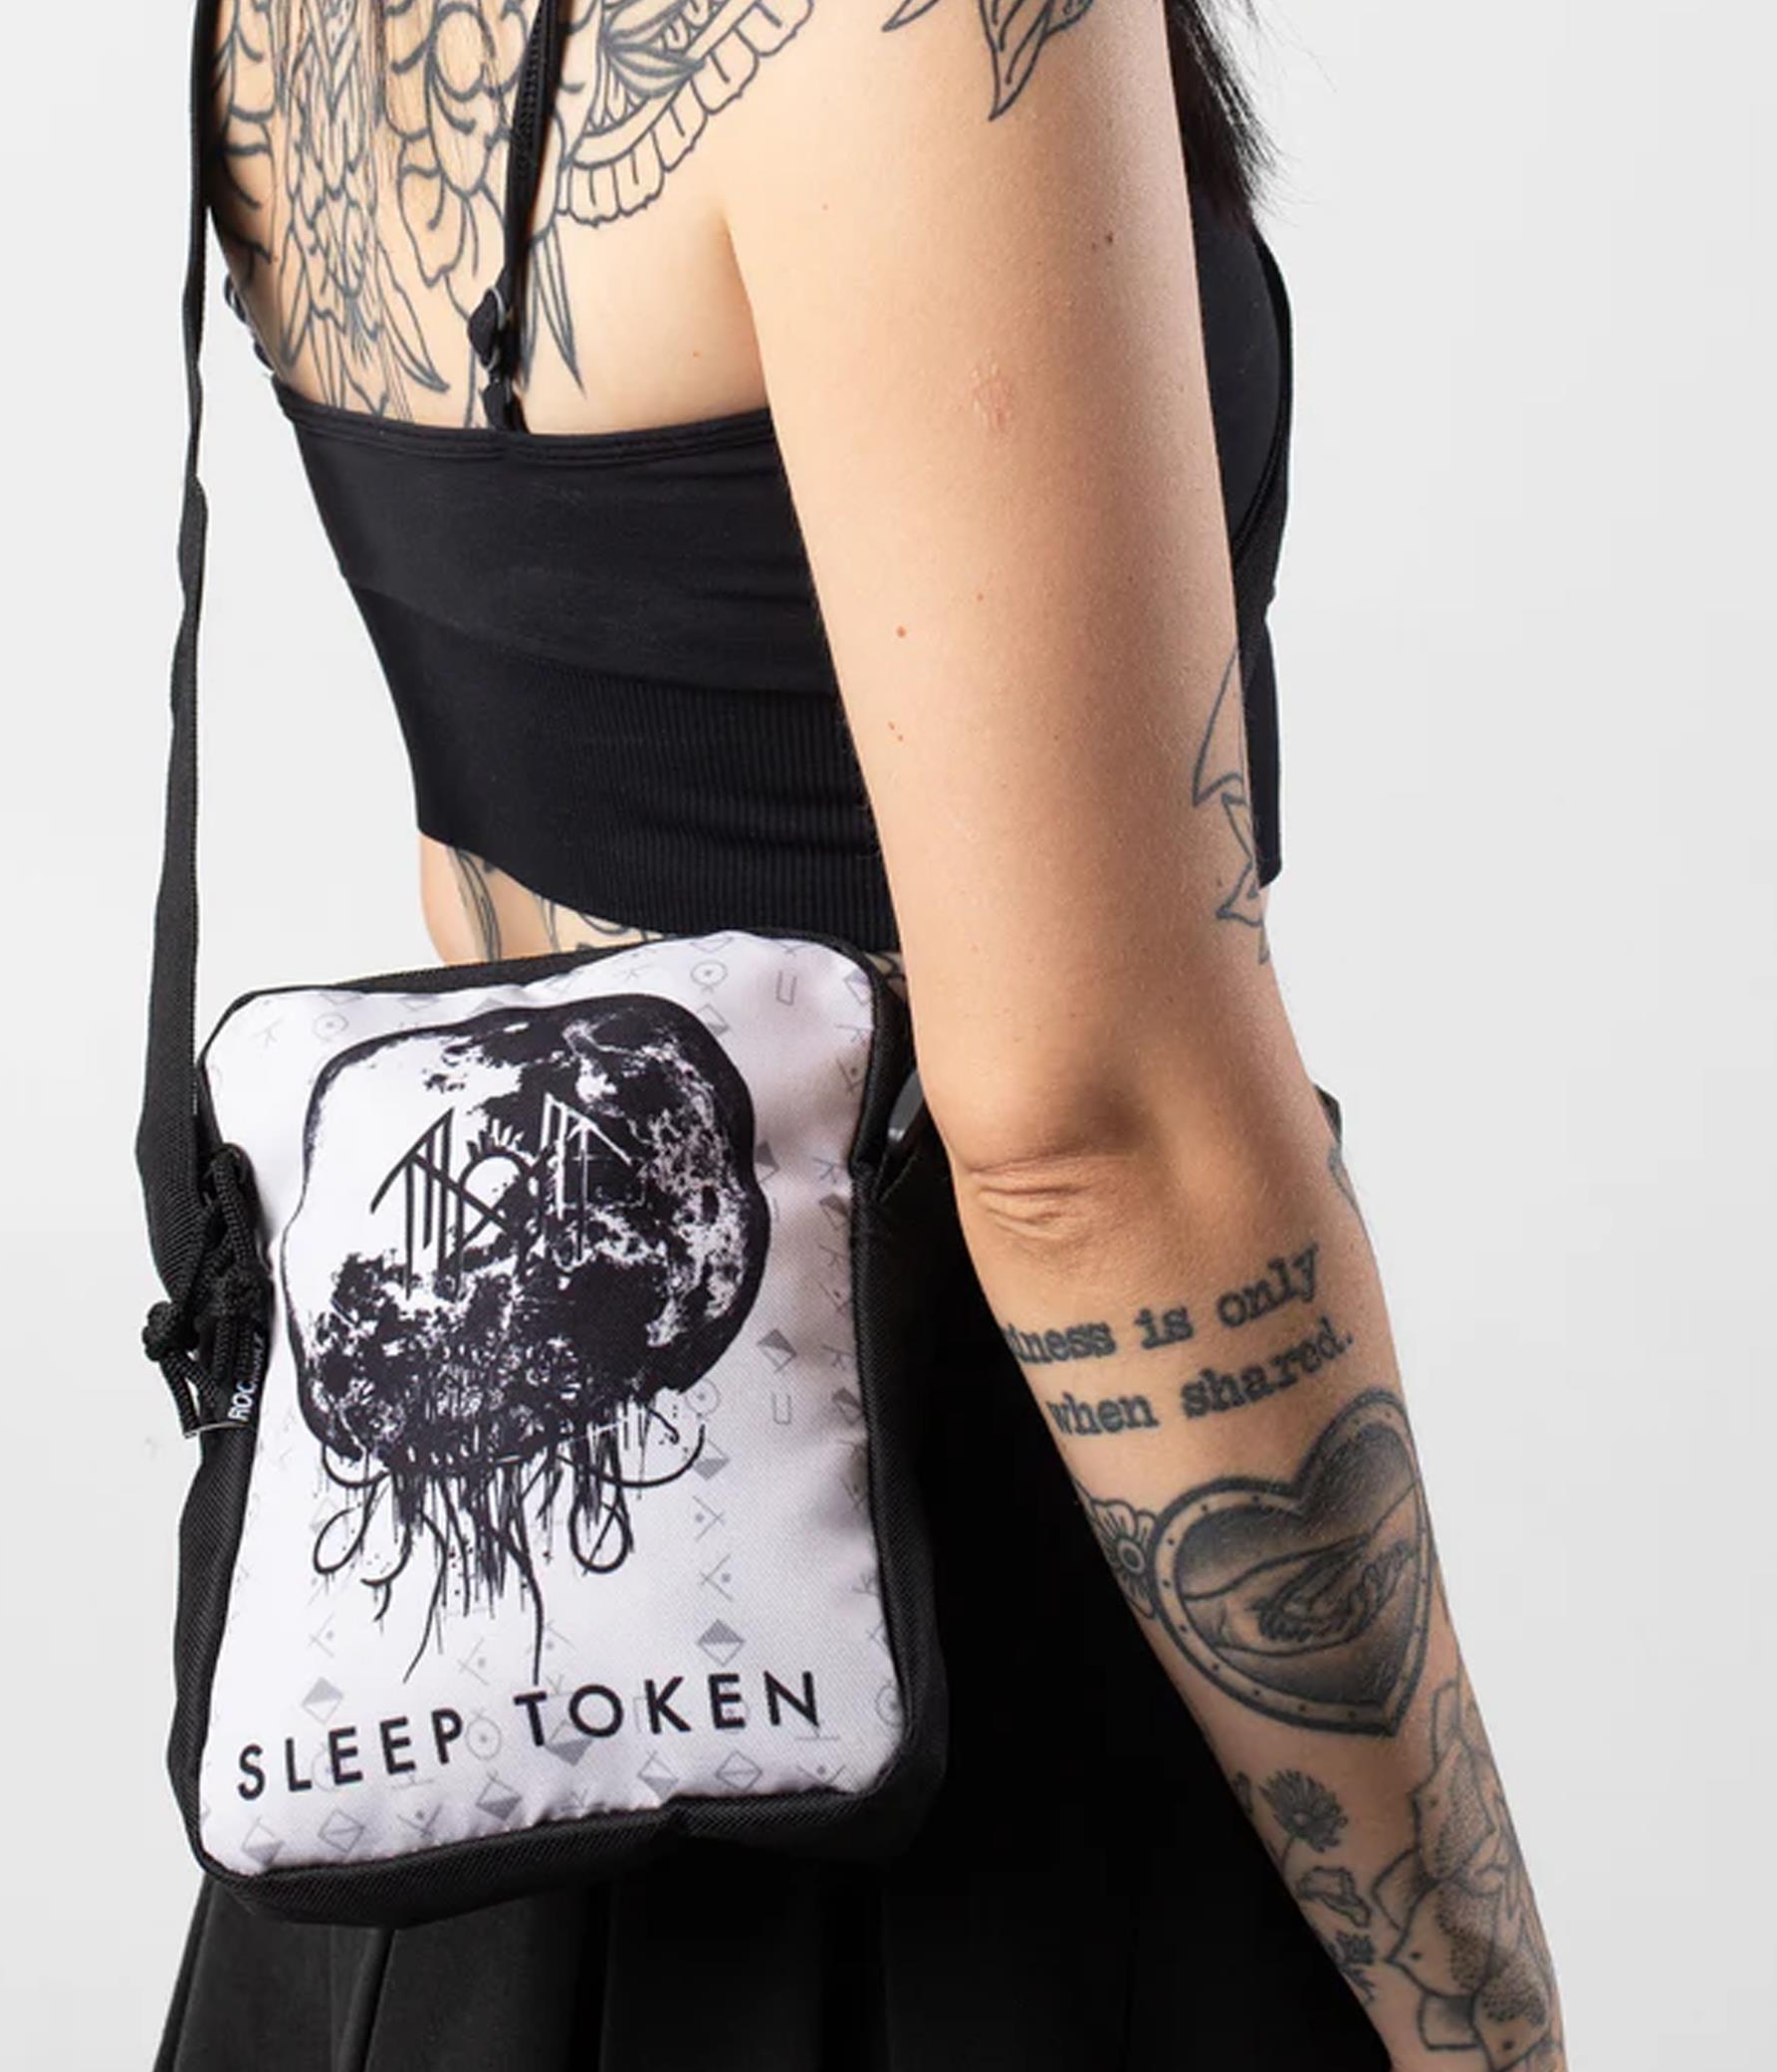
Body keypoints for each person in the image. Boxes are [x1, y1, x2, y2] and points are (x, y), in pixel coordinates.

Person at [153, 2, 1567, 2066]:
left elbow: (516, 823)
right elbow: (1089, 1144)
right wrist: (1476, 2005)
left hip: (452, 1784)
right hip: (980, 1744)